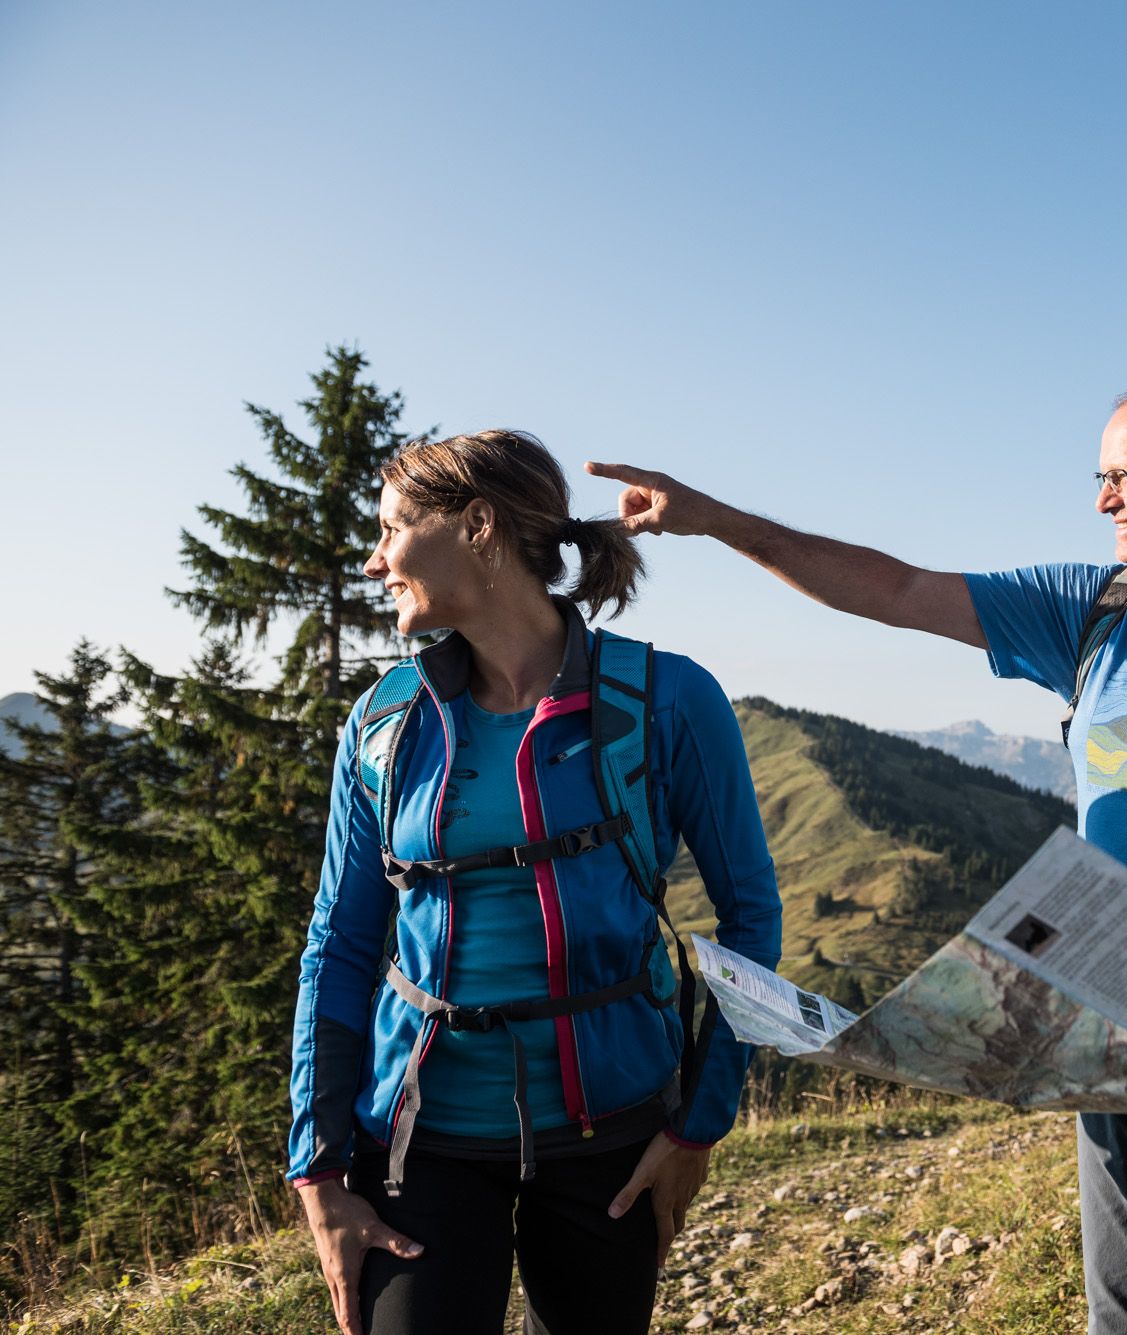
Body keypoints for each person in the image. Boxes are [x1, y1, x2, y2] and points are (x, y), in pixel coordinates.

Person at [589, 371, 1127, 1335]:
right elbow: (896, 587)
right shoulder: (1094, 608)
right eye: (1099, 475)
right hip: (1105, 1018)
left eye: (1122, 474)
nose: (1101, 498)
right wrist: (714, 519)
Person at [286, 430, 783, 1335]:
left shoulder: (668, 700)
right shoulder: (384, 721)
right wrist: (316, 1167)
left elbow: (750, 917)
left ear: (477, 525)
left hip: (616, 1141)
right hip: (416, 1140)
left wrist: (696, 1129)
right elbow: (340, 941)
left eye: (393, 529)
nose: (375, 560)